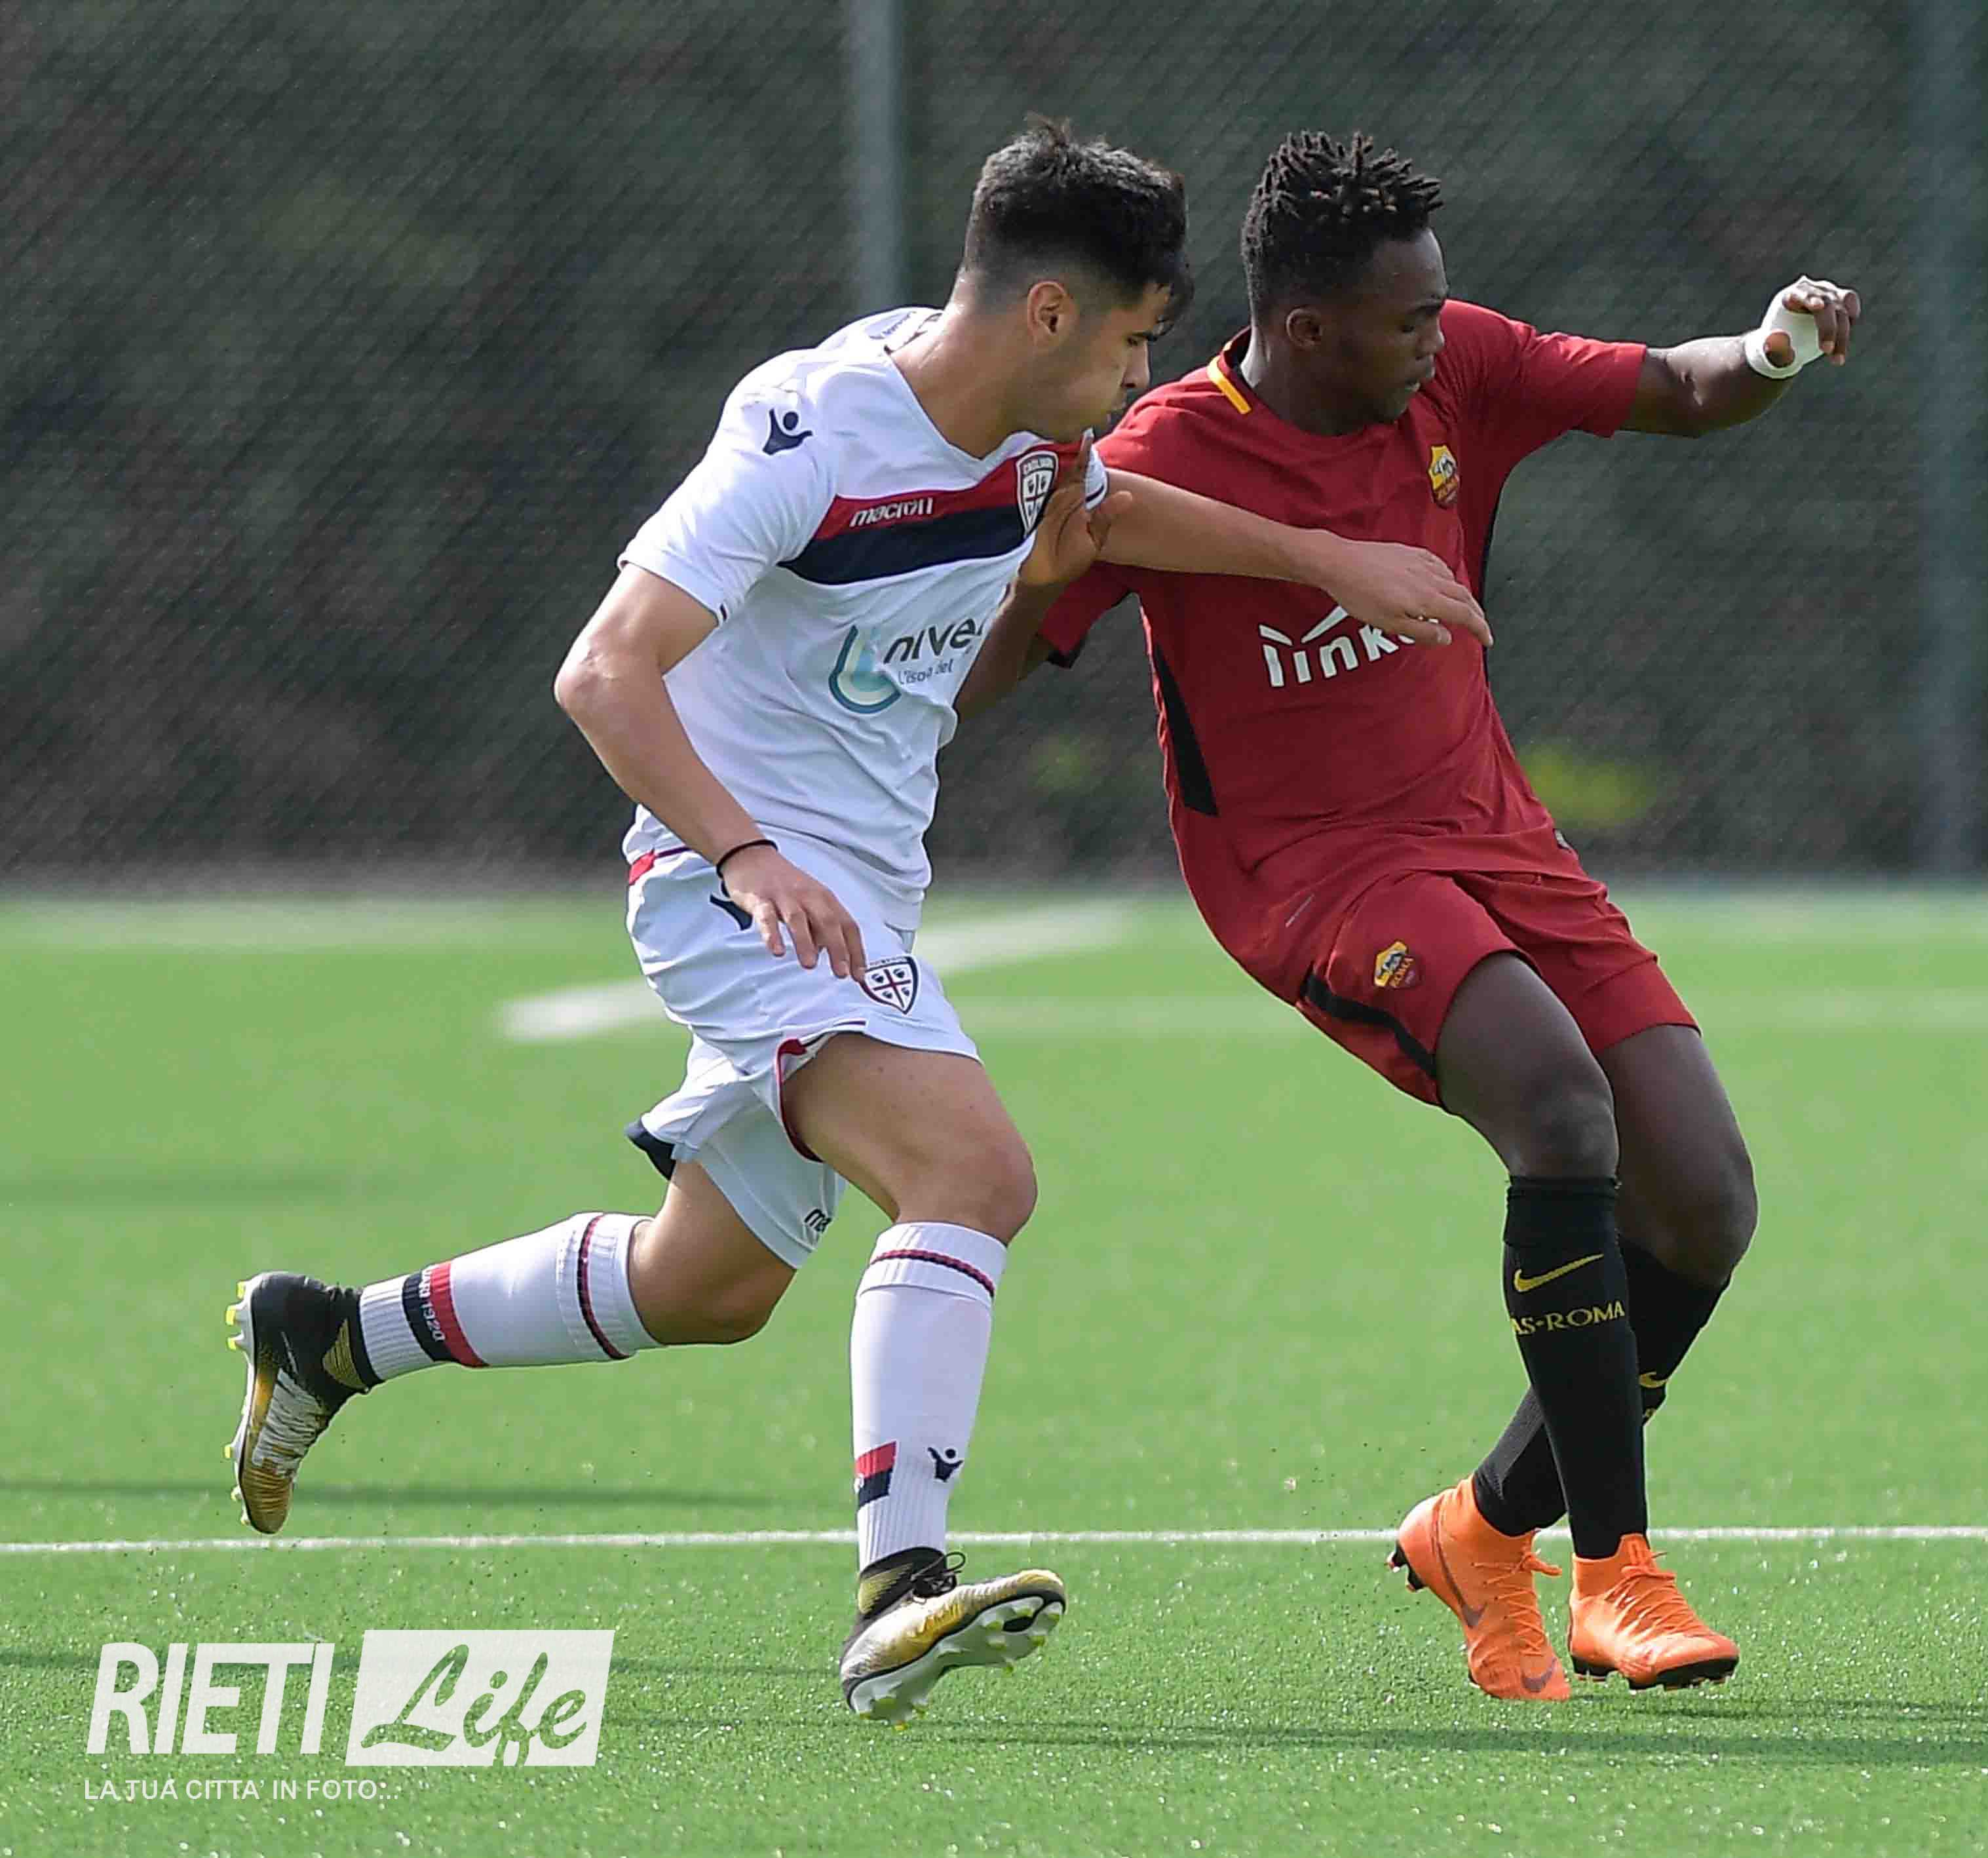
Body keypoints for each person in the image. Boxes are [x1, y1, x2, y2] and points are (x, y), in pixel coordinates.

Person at [219, 121, 1486, 1726]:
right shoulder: (810, 429)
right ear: (1046, 312)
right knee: (974, 1171)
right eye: (1131, 343)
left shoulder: (1034, 433)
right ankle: (899, 1586)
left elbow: (1096, 524)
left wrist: (1322, 560)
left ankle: (333, 1338)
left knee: (706, 1283)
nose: (1139, 378)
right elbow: (604, 670)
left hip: (851, 896)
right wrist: (748, 854)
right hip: (734, 887)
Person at [963, 130, 1856, 1701]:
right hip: (1312, 875)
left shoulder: (1457, 371)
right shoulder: (1163, 452)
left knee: (1704, 1201)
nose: (1440, 339)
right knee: (1559, 1112)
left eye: (1441, 309)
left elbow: (1680, 384)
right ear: (1304, 329)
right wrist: (1035, 567)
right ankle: (1617, 1572)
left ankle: (1481, 1527)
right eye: (1407, 321)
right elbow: (989, 670)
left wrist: (1774, 347)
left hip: (1492, 832)